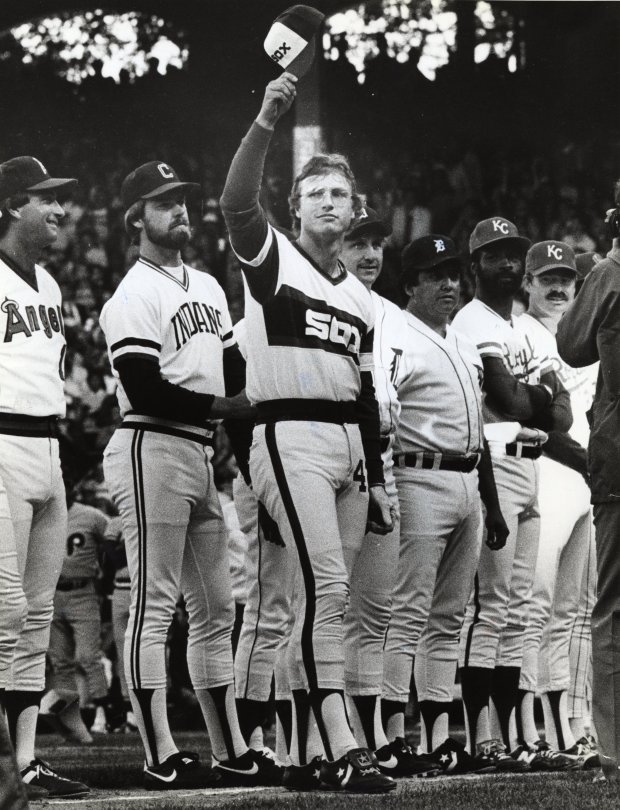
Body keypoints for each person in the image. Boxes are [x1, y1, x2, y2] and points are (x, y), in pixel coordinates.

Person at [220, 72, 396, 793]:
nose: (330, 202)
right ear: (294, 209)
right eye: (315, 193)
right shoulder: (274, 261)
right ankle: (346, 745)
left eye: (340, 194)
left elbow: (363, 392)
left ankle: (303, 755)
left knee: (324, 598)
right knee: (326, 589)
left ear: (358, 209)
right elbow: (236, 202)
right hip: (286, 429)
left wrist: (378, 479)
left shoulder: (358, 296)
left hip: (347, 446)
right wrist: (264, 118)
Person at [100, 160, 281, 790]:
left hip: (200, 450)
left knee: (216, 608)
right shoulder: (132, 294)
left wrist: (252, 464)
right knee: (153, 604)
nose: (180, 210)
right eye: (164, 202)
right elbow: (145, 386)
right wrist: (225, 410)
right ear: (136, 218)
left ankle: (231, 747)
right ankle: (159, 751)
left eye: (182, 200)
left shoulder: (205, 286)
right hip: (150, 443)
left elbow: (234, 378)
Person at [381, 234, 508, 775]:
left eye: (454, 274)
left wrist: (492, 502)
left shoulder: (459, 340)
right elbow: (382, 419)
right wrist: (383, 488)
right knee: (406, 613)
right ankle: (390, 736)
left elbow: (476, 428)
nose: (449, 284)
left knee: (449, 619)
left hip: (465, 479)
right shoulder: (398, 334)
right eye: (435, 276)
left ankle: (436, 735)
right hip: (418, 477)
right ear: (410, 285)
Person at [453, 217, 572, 769]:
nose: (506, 264)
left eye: (512, 255)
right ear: (474, 264)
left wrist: (535, 396)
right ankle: (485, 735)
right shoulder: (470, 321)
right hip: (495, 463)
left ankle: (517, 737)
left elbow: (559, 412)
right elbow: (508, 401)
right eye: (494, 255)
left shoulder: (523, 328)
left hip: (530, 467)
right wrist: (538, 392)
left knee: (520, 610)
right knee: (493, 606)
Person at [0, 156, 89, 799]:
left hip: (48, 448)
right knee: (4, 611)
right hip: (0, 441)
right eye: (45, 199)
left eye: (60, 200)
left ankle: (26, 760)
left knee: (34, 617)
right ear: (10, 207)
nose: (59, 210)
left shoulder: (52, 287)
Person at [340, 208, 438, 777]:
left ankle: (372, 733)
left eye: (377, 242)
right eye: (358, 241)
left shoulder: (395, 319)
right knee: (309, 609)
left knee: (376, 611)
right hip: (324, 457)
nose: (370, 252)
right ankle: (276, 735)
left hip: (381, 464)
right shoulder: (308, 295)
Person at [515, 241, 599, 768]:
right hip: (544, 473)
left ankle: (578, 724)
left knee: (580, 612)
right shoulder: (520, 333)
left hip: (587, 482)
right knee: (536, 606)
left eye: (566, 278)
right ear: (527, 283)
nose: (558, 287)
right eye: (546, 277)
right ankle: (534, 727)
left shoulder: (584, 340)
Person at [556, 181, 620, 781]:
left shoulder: (613, 269)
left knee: (612, 608)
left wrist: (612, 259)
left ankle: (615, 751)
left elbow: (571, 344)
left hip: (619, 456)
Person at [41, 486, 112, 744]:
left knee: (88, 657)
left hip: (83, 590)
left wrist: (106, 580)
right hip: (52, 592)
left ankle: (104, 714)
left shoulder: (91, 516)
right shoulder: (42, 514)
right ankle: (72, 721)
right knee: (60, 661)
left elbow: (114, 541)